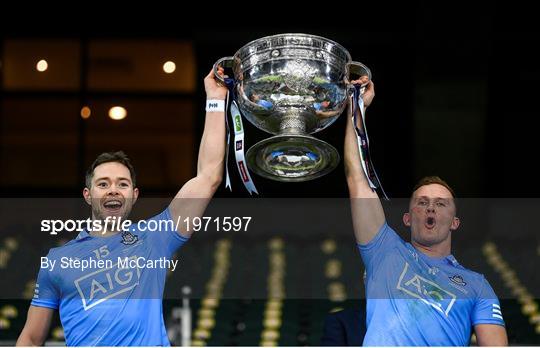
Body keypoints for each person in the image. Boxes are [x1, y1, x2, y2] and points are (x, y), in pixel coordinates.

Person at [16, 67, 229, 346]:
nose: (113, 189)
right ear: (88, 195)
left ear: (134, 194)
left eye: (122, 184)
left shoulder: (154, 238)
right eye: (103, 184)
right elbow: (30, 339)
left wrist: (215, 99)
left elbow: (208, 177)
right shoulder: (56, 261)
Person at [344, 80, 508, 346]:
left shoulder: (477, 286)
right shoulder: (384, 250)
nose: (431, 207)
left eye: (441, 203)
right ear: (407, 218)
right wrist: (358, 106)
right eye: (422, 202)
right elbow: (358, 178)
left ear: (455, 222)